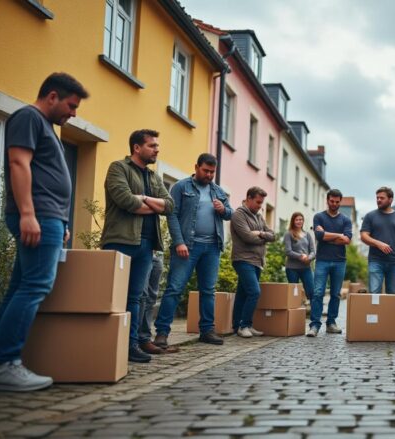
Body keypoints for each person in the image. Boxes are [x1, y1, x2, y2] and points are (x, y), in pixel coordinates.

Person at [0, 73, 88, 391]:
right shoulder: (28, 117)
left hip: (49, 219)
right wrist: (28, 214)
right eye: (71, 105)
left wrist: (61, 223)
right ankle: (6, 364)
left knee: (20, 287)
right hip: (37, 216)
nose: (74, 113)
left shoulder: (45, 126)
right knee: (36, 285)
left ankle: (1, 361)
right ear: (52, 96)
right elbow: (19, 164)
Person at [101, 129, 174, 363]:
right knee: (113, 295)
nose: (157, 149)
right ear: (137, 148)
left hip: (146, 244)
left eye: (157, 146)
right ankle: (106, 343)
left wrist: (143, 199)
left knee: (136, 297)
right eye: (152, 145)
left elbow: (170, 206)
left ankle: (131, 345)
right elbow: (125, 201)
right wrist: (150, 204)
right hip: (120, 240)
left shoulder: (153, 177)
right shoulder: (118, 168)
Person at [154, 153, 232, 347]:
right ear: (196, 167)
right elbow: (171, 215)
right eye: (205, 170)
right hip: (188, 246)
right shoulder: (181, 187)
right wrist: (179, 242)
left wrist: (223, 209)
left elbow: (230, 214)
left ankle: (207, 330)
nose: (209, 175)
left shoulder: (218, 191)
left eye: (212, 172)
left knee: (208, 290)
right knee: (174, 289)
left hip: (212, 246)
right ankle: (162, 332)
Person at [230, 187, 275, 338]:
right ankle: (244, 325)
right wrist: (262, 238)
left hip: (257, 261)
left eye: (261, 203)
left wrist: (260, 233)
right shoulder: (238, 215)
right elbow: (247, 237)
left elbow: (273, 235)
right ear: (248, 198)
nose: (260, 206)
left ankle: (239, 325)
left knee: (243, 293)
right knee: (254, 292)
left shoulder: (259, 216)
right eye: (257, 202)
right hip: (243, 259)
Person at [307, 189, 353, 337]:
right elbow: (319, 236)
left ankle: (331, 323)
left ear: (340, 202)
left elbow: (347, 240)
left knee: (335, 294)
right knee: (318, 293)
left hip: (340, 261)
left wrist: (328, 235)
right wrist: (338, 235)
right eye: (331, 201)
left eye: (337, 202)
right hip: (322, 260)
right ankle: (314, 325)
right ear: (327, 200)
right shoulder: (319, 217)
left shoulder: (345, 220)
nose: (334, 204)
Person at [360, 187, 395, 295]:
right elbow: (363, 236)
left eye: (382, 198)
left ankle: (389, 313)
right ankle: (374, 313)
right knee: (374, 293)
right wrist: (378, 243)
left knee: (392, 294)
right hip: (376, 261)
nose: (378, 200)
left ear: (390, 199)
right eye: (377, 198)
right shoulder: (370, 216)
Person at [284, 212, 315, 302]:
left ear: (303, 221)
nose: (299, 221)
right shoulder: (289, 234)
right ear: (293, 221)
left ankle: (314, 316)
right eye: (297, 219)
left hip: (306, 268)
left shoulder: (307, 235)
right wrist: (301, 256)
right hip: (292, 269)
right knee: (294, 294)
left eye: (301, 219)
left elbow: (313, 251)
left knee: (312, 292)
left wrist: (309, 258)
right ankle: (294, 314)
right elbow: (288, 251)